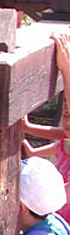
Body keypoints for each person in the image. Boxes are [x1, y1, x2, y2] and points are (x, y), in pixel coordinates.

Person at [21, 33, 70, 222]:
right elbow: (61, 136)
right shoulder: (65, 143)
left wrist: (67, 71)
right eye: (65, 114)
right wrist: (28, 127)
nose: (66, 121)